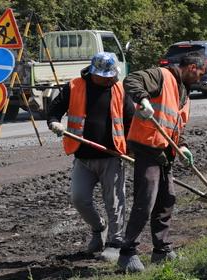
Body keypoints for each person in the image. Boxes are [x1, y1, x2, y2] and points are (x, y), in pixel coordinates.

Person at [117, 51, 207, 272]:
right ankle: (127, 252)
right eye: (201, 73)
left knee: (167, 199)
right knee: (145, 200)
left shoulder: (184, 91)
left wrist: (183, 147)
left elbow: (175, 126)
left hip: (166, 151)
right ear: (192, 67)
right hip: (147, 147)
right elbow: (131, 80)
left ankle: (162, 250)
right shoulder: (161, 76)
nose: (200, 78)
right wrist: (143, 99)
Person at [47, 52, 135, 262]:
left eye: (111, 75)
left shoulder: (120, 89)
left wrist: (132, 149)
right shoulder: (74, 87)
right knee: (79, 199)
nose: (108, 79)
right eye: (104, 75)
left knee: (114, 202)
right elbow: (54, 109)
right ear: (93, 72)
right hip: (83, 156)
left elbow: (131, 121)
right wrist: (54, 122)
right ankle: (99, 229)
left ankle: (115, 242)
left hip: (112, 156)